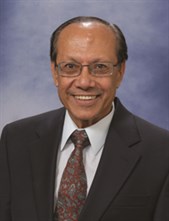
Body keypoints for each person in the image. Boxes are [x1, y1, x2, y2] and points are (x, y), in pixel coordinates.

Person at [0, 16, 169, 221]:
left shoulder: (161, 152)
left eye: (100, 67)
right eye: (70, 66)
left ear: (120, 72)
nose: (84, 82)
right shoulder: (16, 139)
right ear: (55, 72)